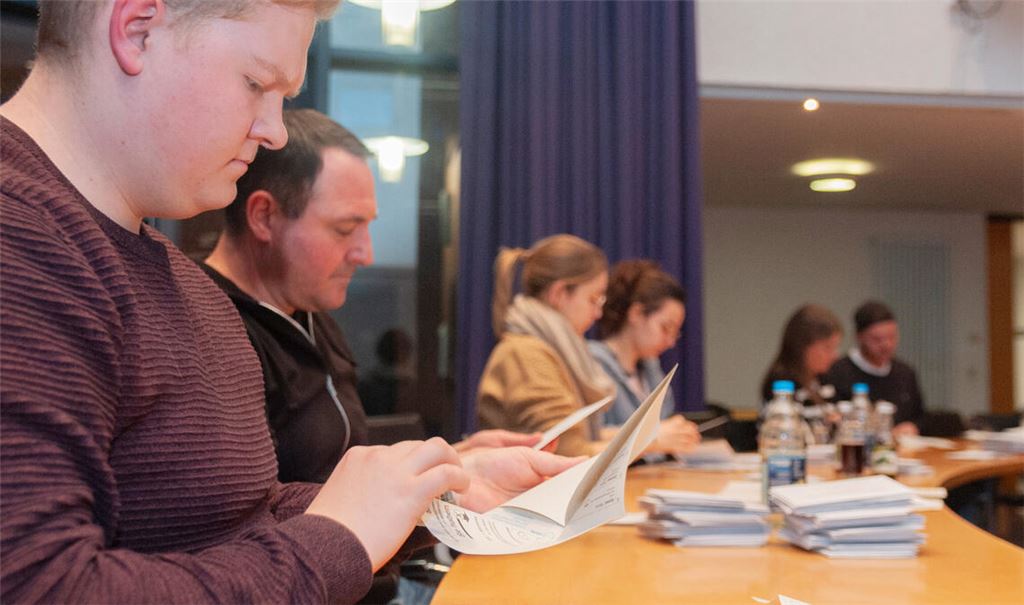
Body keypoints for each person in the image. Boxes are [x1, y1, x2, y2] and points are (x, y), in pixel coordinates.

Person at [0, 3, 579, 603]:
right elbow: (39, 586)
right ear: (137, 29)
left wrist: (432, 493)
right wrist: (341, 535)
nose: (275, 131)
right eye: (255, 83)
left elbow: (236, 521)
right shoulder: (19, 237)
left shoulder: (183, 285)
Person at [477, 236, 694, 458]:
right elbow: (568, 455)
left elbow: (586, 439)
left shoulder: (547, 350)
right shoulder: (526, 355)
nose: (598, 313)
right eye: (593, 299)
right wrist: (651, 439)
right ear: (560, 294)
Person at [588, 260, 700, 456]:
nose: (670, 342)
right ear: (636, 313)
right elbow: (586, 439)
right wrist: (653, 437)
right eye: (666, 328)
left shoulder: (651, 371)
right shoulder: (591, 363)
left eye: (675, 333)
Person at [825, 300, 924, 436]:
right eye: (877, 339)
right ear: (859, 337)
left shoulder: (905, 372)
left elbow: (920, 416)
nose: (886, 345)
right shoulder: (836, 371)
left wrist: (913, 427)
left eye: (892, 337)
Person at [760, 304, 843, 407]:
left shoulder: (825, 378)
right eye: (828, 347)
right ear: (803, 347)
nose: (835, 355)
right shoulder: (782, 385)